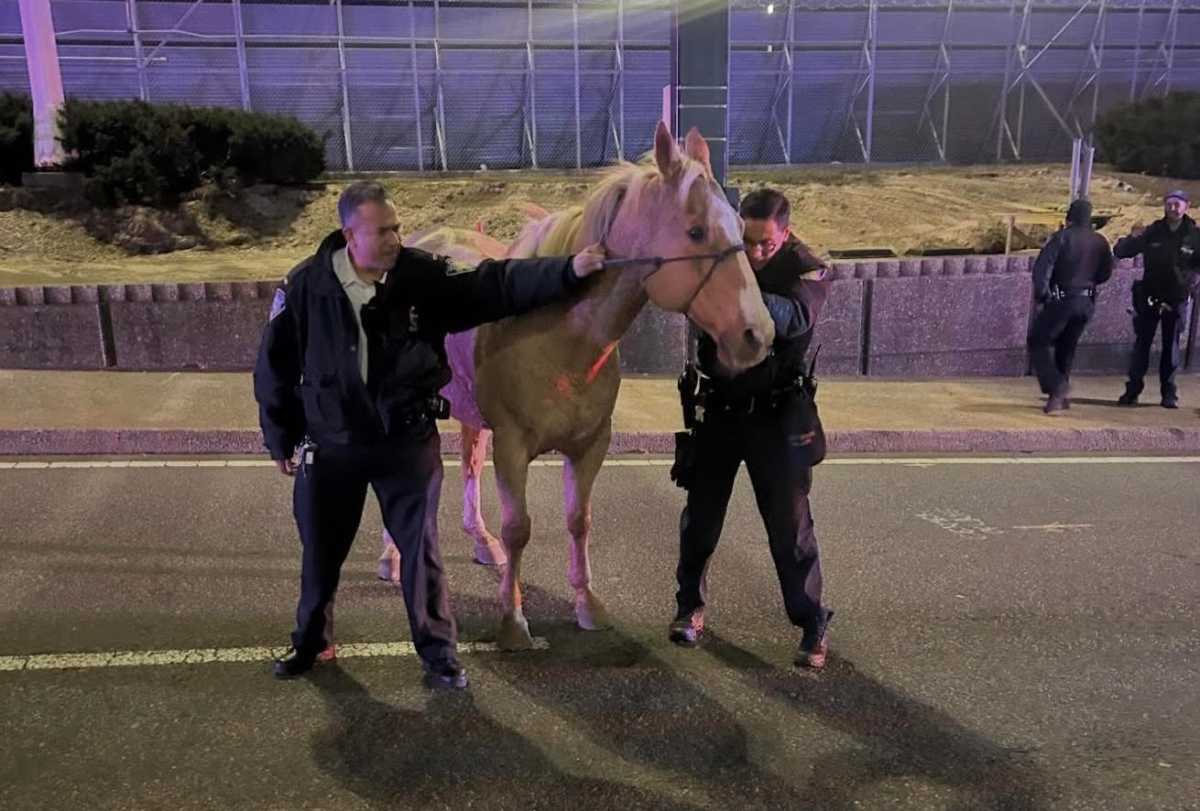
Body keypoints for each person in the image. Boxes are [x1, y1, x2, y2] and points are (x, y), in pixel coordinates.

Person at [254, 181, 605, 687]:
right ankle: (311, 643)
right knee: (320, 555)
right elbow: (274, 366)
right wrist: (278, 434)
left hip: (405, 441)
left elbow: (494, 286)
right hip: (333, 445)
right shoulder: (305, 286)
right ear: (350, 235)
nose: (397, 238)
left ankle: (439, 657)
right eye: (385, 230)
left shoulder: (422, 277)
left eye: (398, 227)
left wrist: (567, 271)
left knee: (421, 557)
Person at [669, 188, 834, 669]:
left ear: (785, 233)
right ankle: (688, 607)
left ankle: (811, 622)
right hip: (719, 409)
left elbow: (797, 317)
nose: (756, 251)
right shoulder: (725, 253)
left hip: (776, 418)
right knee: (700, 518)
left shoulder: (806, 266)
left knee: (790, 529)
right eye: (748, 240)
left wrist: (734, 288)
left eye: (766, 243)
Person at [1115, 190, 1200, 409]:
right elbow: (1123, 251)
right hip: (1150, 297)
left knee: (1171, 348)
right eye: (1170, 203)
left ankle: (1169, 394)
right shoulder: (1153, 231)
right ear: (1164, 206)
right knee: (1141, 346)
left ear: (1186, 206)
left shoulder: (1194, 235)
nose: (1173, 208)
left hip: (1177, 299)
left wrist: (1190, 284)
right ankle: (1132, 391)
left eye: (1177, 204)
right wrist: (1132, 238)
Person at [1028, 199, 1114, 414]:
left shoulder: (1062, 238)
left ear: (1069, 217)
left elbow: (1043, 269)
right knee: (1067, 346)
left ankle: (1057, 386)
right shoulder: (1100, 241)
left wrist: (1042, 295)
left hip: (1062, 299)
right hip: (1087, 302)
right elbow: (1105, 273)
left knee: (1038, 340)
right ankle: (1059, 398)